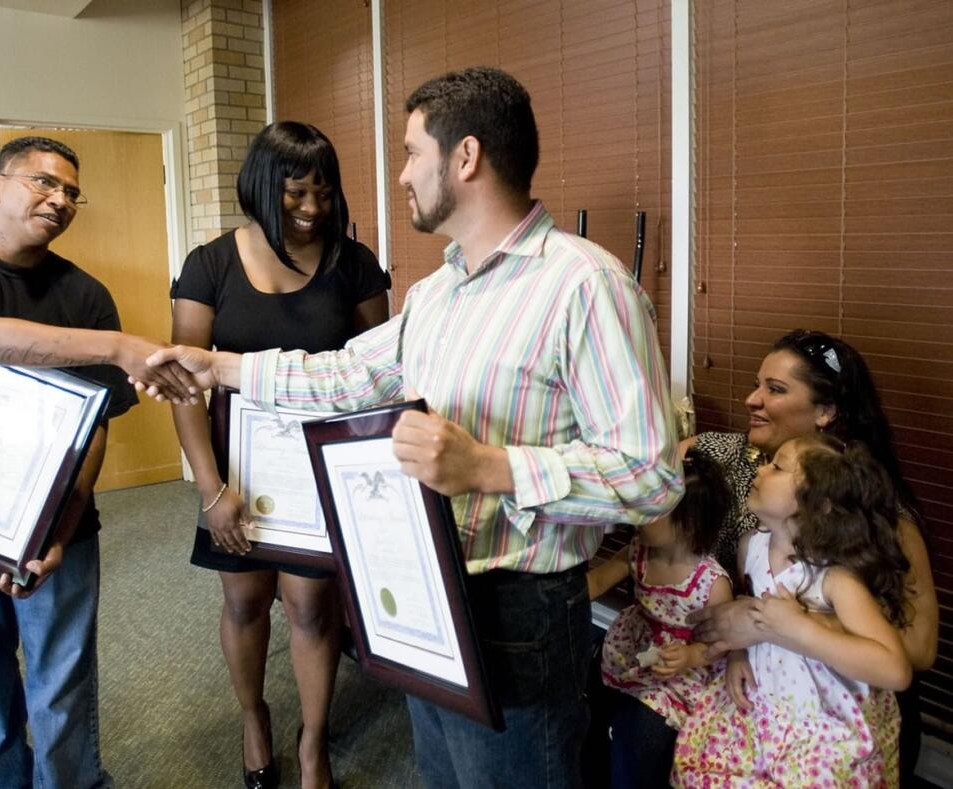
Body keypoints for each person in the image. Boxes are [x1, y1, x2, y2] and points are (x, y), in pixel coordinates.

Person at [147, 67, 681, 788]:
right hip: (426, 591)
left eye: (410, 153)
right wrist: (215, 368)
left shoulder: (586, 285)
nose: (400, 175)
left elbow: (651, 476)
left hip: (519, 607)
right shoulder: (438, 293)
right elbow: (343, 374)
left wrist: (489, 468)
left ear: (464, 158)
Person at [0, 135, 192, 789]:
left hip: (58, 529)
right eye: (43, 182)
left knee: (62, 689)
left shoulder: (85, 295)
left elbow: (95, 426)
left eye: (71, 192)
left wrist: (57, 527)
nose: (60, 199)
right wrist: (117, 345)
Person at [170, 122, 389, 789]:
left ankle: (313, 744)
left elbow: (383, 372)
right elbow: (185, 383)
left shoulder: (351, 263)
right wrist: (211, 491)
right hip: (235, 471)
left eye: (324, 193)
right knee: (244, 602)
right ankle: (254, 718)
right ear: (263, 187)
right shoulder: (210, 264)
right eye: (297, 192)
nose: (313, 208)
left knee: (311, 607)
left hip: (317, 473)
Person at [683, 329, 939, 779]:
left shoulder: (873, 513)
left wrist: (765, 622)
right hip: (760, 688)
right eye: (757, 383)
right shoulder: (731, 458)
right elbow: (670, 461)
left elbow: (917, 652)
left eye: (775, 390)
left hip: (835, 709)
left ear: (826, 412)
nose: (751, 399)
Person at [673, 434, 912, 786]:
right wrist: (738, 653)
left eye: (778, 466)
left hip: (821, 721)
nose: (762, 469)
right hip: (763, 708)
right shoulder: (750, 547)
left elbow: (894, 670)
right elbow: (748, 611)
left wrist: (798, 629)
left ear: (820, 503)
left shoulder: (835, 579)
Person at [585, 449, 733, 788]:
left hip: (678, 674)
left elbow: (720, 643)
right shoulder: (637, 550)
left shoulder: (711, 582)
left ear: (689, 522)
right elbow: (595, 582)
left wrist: (690, 655)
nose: (638, 516)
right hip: (631, 651)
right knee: (588, 707)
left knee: (640, 740)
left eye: (652, 510)